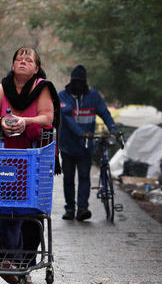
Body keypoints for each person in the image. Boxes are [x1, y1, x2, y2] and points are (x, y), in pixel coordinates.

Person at [0, 46, 60, 284]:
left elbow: (47, 118)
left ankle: (19, 262)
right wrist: (2, 121)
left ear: (36, 68)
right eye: (18, 58)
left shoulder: (42, 88)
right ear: (13, 65)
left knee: (28, 213)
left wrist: (25, 122)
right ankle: (8, 261)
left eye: (28, 58)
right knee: (8, 209)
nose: (22, 60)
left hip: (33, 161)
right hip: (3, 161)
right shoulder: (1, 89)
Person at [58, 64, 117, 221]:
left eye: (81, 82)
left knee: (84, 176)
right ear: (71, 81)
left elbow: (104, 112)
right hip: (67, 145)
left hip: (86, 147)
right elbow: (67, 119)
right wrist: (81, 133)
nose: (78, 85)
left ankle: (83, 208)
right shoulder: (62, 96)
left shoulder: (93, 97)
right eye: (75, 81)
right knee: (69, 178)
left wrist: (113, 128)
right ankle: (70, 208)